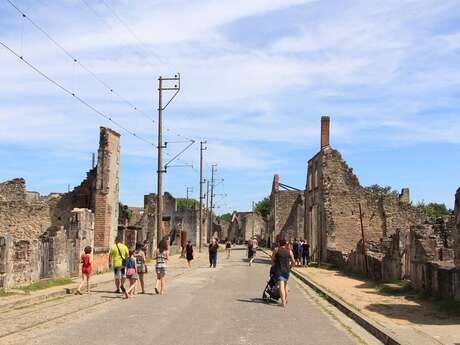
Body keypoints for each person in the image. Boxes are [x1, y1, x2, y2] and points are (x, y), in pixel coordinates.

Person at [271, 238, 295, 307]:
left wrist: (273, 266)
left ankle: (283, 302)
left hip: (279, 270)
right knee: (285, 285)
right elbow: (293, 262)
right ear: (285, 243)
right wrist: (290, 267)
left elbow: (272, 260)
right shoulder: (289, 251)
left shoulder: (276, 249)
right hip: (287, 271)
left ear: (280, 243)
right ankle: (285, 299)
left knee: (281, 286)